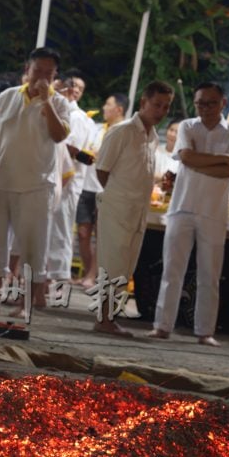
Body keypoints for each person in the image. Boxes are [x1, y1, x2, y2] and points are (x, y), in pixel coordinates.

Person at [148, 82, 229, 347]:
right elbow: (187, 158)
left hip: (213, 211)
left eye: (211, 103)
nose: (205, 108)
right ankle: (162, 325)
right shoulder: (188, 126)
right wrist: (223, 159)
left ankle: (204, 331)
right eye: (200, 103)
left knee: (209, 274)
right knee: (172, 269)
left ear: (223, 103)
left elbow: (227, 172)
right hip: (182, 206)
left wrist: (208, 162)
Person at [0, 47, 70, 311]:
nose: (41, 77)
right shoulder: (8, 97)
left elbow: (59, 136)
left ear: (55, 76)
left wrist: (46, 103)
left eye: (48, 73)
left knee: (34, 248)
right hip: (1, 181)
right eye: (37, 70)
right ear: (26, 70)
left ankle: (28, 303)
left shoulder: (60, 103)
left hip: (36, 186)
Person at [92, 80, 174, 336]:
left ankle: (110, 317)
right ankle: (103, 318)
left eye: (165, 107)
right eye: (156, 104)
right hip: (117, 207)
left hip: (138, 210)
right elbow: (102, 171)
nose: (160, 111)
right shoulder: (122, 131)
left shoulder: (152, 136)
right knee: (112, 263)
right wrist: (120, 196)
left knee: (126, 267)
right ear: (143, 102)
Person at [75, 92, 127, 287]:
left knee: (101, 234)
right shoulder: (97, 129)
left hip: (105, 188)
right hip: (87, 185)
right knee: (82, 232)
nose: (104, 108)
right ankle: (90, 272)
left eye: (108, 104)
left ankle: (91, 276)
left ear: (119, 109)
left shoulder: (123, 131)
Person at [47, 71, 94, 283]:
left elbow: (70, 148)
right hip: (60, 178)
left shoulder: (76, 117)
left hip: (67, 179)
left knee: (60, 229)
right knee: (55, 229)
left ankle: (58, 277)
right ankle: (51, 276)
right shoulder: (65, 113)